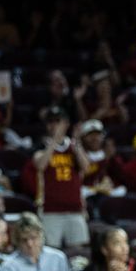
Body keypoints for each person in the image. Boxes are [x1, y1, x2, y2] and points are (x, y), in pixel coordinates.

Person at [21, 106, 90, 249]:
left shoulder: (73, 146)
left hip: (75, 209)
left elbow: (86, 167)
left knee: (78, 254)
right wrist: (54, 141)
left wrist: (76, 143)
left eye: (58, 121)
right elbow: (40, 165)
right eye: (51, 122)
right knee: (51, 250)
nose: (54, 125)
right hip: (50, 210)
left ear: (66, 124)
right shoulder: (41, 145)